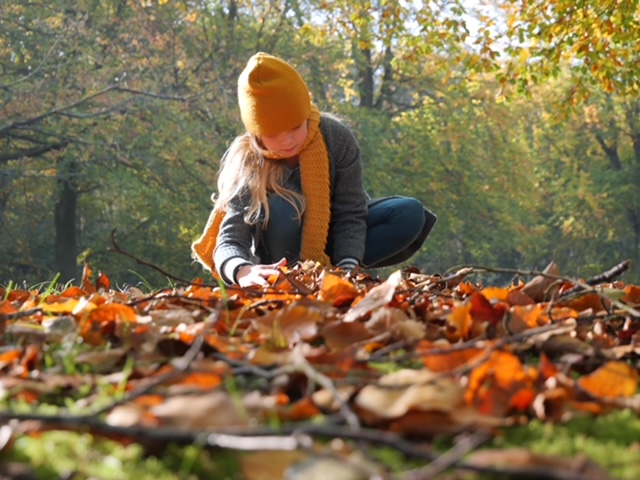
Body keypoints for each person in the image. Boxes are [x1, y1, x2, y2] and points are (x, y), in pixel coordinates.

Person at [192, 52, 437, 287]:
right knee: (283, 208)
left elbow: (350, 211)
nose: (287, 140)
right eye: (274, 134)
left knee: (409, 213)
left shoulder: (335, 137)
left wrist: (347, 266)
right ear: (257, 133)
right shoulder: (249, 161)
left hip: (332, 234)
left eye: (295, 127)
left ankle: (331, 272)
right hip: (281, 251)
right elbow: (230, 237)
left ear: (306, 114)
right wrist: (242, 270)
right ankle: (293, 278)